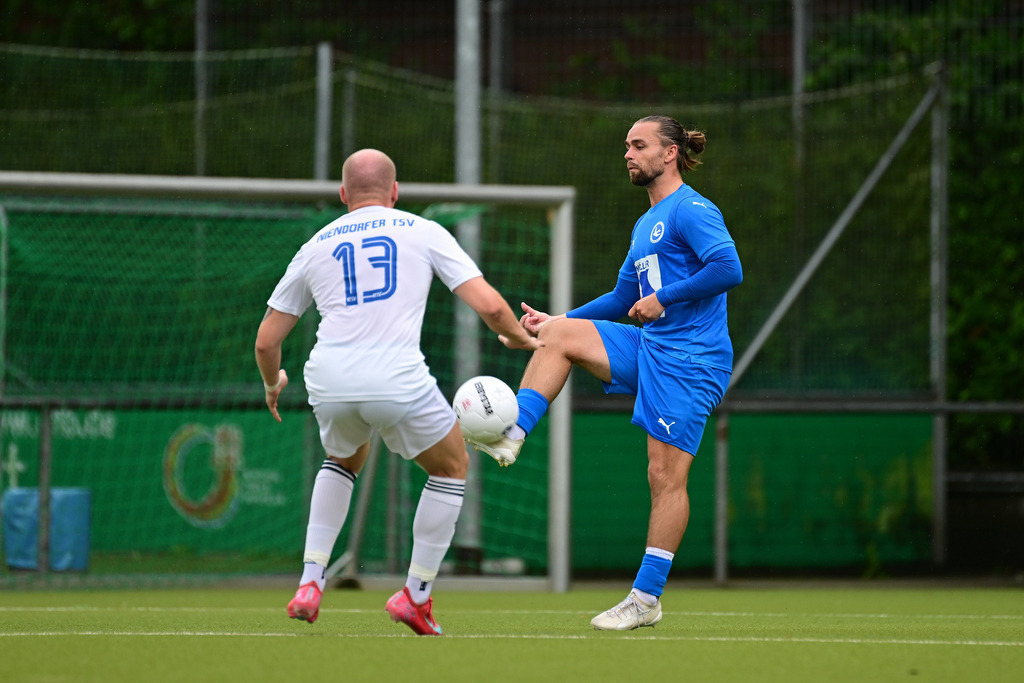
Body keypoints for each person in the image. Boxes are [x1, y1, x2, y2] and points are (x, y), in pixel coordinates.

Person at [467, 115, 743, 630]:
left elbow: (729, 268)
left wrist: (664, 297)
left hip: (692, 360)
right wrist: (553, 321)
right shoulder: (644, 224)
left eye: (639, 145)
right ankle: (512, 433)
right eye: (626, 146)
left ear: (670, 153)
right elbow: (621, 298)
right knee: (559, 337)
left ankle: (645, 599)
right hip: (652, 347)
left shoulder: (693, 209)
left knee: (664, 477)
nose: (628, 154)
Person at [255, 148, 540, 636]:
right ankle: (416, 596)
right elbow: (492, 308)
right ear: (395, 191)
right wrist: (519, 338)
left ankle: (309, 582)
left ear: (342, 194)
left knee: (342, 460)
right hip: (395, 378)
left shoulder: (315, 244)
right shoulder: (423, 230)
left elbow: (266, 342)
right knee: (451, 467)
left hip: (329, 378)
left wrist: (271, 383)